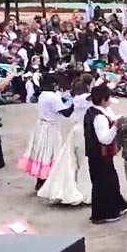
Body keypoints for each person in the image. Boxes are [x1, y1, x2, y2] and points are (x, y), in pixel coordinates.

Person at [38, 74, 96, 205]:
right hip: (81, 131)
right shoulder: (84, 99)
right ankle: (84, 190)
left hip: (74, 130)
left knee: (71, 160)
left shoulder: (77, 98)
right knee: (82, 161)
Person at [83, 84, 127, 224]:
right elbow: (104, 139)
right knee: (104, 183)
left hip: (98, 154)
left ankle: (117, 205)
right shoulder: (99, 117)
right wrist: (115, 126)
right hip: (100, 154)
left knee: (109, 181)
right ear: (103, 100)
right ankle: (104, 213)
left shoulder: (95, 111)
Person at [18, 73, 73, 191]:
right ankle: (46, 182)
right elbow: (66, 113)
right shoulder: (52, 97)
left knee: (43, 154)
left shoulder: (44, 94)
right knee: (50, 154)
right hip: (50, 127)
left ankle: (40, 181)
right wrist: (74, 102)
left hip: (42, 125)